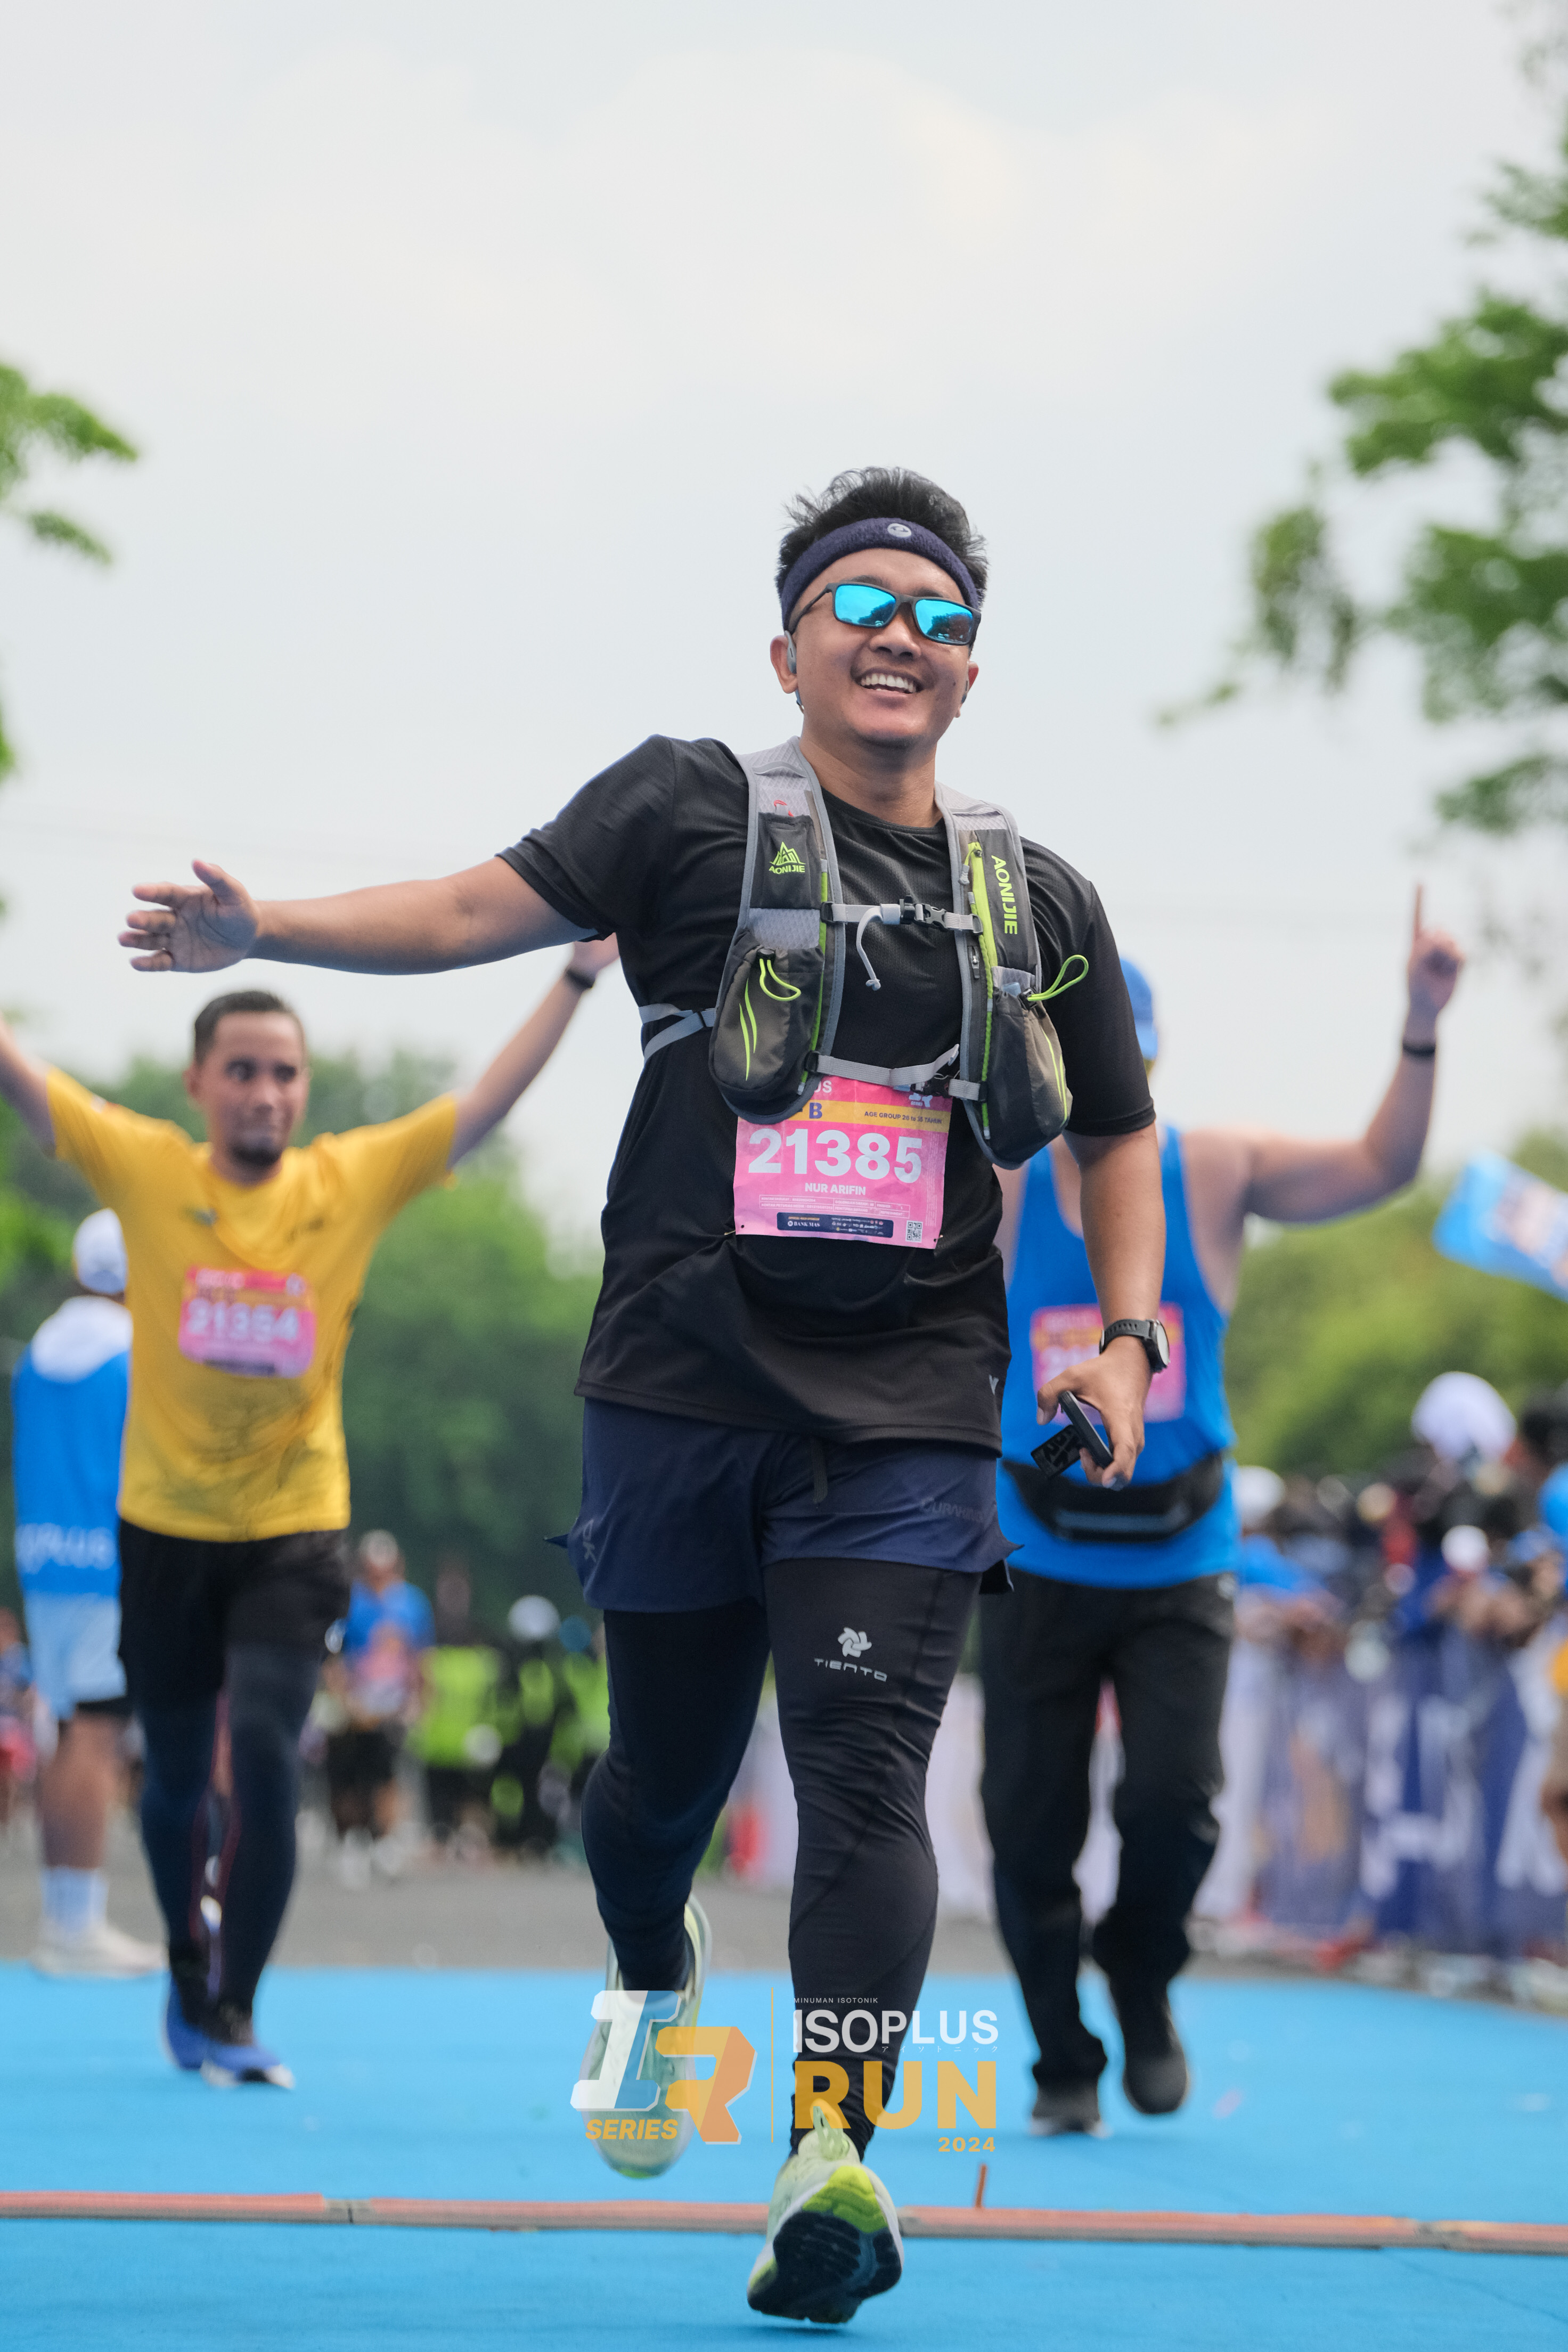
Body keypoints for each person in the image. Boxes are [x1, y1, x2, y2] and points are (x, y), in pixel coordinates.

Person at [113, 465, 1162, 2323]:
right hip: (680, 1382)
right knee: (656, 1785)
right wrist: (260, 926)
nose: (900, 637)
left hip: (911, 1403)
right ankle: (650, 1973)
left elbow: (1117, 1129)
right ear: (787, 647)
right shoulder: (684, 805)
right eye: (861, 606)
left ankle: (829, 2152)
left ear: (971, 668)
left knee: (861, 1775)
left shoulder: (1038, 894)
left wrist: (1127, 1336)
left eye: (938, 616)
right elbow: (469, 904)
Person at [0, 942, 616, 2084]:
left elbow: (485, 1103)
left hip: (293, 1529)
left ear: (304, 1086)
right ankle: (187, 1963)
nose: (265, 1092)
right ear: (198, 1083)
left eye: (284, 1072)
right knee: (173, 1778)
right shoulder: (145, 1167)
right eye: (241, 1070)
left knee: (265, 1756)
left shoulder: (347, 1181)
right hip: (166, 1530)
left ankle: (234, 2009)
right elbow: (26, 1081)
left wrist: (576, 978)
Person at [984, 900, 1464, 2134]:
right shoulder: (1002, 1182)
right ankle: (1061, 2056)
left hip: (1179, 1550)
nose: (1097, 1082)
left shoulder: (1212, 1170)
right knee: (1027, 1827)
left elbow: (1380, 1167)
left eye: (1117, 1056)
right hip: (1036, 1546)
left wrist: (1418, 1024)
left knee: (1169, 1802)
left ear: (1144, 1056)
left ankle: (1140, 1976)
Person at [13, 1210, 161, 1975]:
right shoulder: (137, 1351)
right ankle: (79, 1927)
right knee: (97, 1736)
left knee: (66, 1731)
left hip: (45, 1558)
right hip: (108, 1565)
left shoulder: (39, 1351)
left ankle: (62, 1914)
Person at [322, 1529, 433, 1885]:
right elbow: (334, 1657)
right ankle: (352, 1839)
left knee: (387, 1773)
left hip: (392, 1706)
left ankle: (385, 1840)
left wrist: (421, 1702)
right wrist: (345, 1701)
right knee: (348, 1776)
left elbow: (420, 1658)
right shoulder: (349, 1602)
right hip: (355, 1704)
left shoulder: (412, 1603)